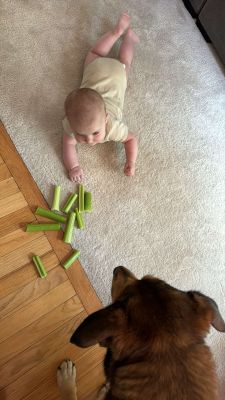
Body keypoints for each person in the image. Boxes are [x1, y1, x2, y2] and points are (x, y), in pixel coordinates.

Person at [62, 13, 139, 182]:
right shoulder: (72, 123)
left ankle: (126, 38)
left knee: (124, 61)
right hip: (95, 69)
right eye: (81, 135)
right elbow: (67, 142)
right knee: (96, 53)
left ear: (106, 119)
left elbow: (131, 138)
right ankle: (121, 35)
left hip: (117, 74)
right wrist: (73, 167)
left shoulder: (112, 128)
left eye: (95, 132)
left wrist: (131, 161)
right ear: (70, 122)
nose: (89, 140)